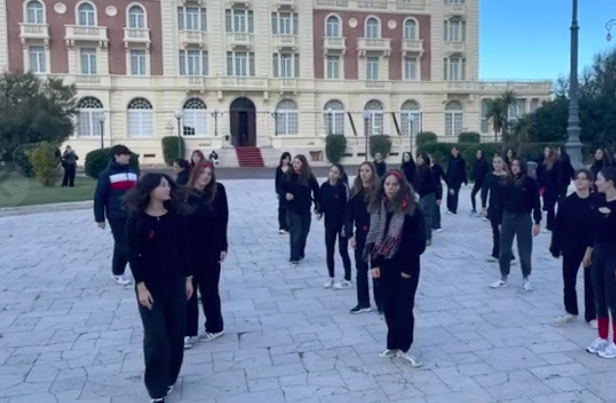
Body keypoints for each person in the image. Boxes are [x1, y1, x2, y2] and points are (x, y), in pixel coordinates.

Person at [124, 173, 194, 403]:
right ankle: (156, 388)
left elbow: (185, 248)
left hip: (175, 282)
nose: (167, 189)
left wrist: (188, 278)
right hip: (150, 285)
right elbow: (133, 254)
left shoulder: (176, 216)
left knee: (175, 333)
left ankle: (170, 376)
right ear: (150, 189)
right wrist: (140, 286)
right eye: (162, 185)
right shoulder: (137, 218)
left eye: (168, 185)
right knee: (156, 336)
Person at [364, 169, 426, 366]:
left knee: (404, 307)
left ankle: (404, 347)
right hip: (385, 264)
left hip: (406, 265)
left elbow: (419, 241)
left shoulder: (412, 208)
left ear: (401, 186)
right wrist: (374, 264)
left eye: (394, 185)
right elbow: (374, 238)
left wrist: (407, 267)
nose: (390, 188)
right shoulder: (378, 207)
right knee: (388, 305)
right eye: (387, 184)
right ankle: (392, 344)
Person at [184, 161, 229, 349]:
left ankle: (215, 326)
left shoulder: (217, 192)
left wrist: (223, 246)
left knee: (209, 290)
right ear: (195, 173)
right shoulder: (182, 194)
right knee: (188, 291)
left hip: (210, 248)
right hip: (187, 249)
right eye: (203, 173)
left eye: (209, 174)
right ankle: (189, 331)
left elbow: (223, 219)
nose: (205, 177)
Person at [550, 169, 597, 328]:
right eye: (577, 179)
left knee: (591, 283)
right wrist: (555, 246)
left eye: (584, 179)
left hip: (590, 249)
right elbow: (558, 225)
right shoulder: (567, 202)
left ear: (590, 182)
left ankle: (591, 315)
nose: (580, 182)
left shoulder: (596, 201)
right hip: (570, 247)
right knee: (568, 281)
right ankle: (571, 310)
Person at [490, 158, 541, 291]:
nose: (514, 168)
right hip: (507, 216)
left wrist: (537, 222)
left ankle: (526, 277)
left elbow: (536, 203)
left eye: (517, 165)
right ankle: (503, 277)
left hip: (524, 217)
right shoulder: (505, 182)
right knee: (504, 249)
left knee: (524, 249)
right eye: (512, 165)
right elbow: (499, 203)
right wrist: (499, 221)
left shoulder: (530, 183)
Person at [93, 145, 138, 286]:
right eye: (125, 155)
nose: (128, 157)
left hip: (134, 214)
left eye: (128, 154)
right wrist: (99, 218)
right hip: (116, 214)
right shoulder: (107, 174)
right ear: (116, 156)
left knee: (134, 243)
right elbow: (99, 196)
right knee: (122, 244)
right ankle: (117, 272)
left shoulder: (133, 172)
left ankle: (138, 271)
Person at [584, 166, 616, 359]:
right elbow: (594, 230)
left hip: (614, 253)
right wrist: (589, 251)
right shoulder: (598, 201)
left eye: (599, 179)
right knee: (600, 296)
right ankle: (602, 337)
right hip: (599, 251)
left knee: (613, 298)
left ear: (610, 181)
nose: (596, 182)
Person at [348, 162, 382, 314]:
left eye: (367, 170)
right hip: (360, 234)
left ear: (372, 173)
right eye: (361, 170)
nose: (364, 173)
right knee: (360, 269)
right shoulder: (355, 191)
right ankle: (363, 303)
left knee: (377, 270)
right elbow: (348, 215)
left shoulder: (379, 192)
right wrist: (350, 235)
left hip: (376, 235)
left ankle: (382, 304)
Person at [316, 163, 352, 289]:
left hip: (342, 224)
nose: (333, 174)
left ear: (340, 175)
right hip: (329, 224)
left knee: (343, 251)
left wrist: (346, 226)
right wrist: (319, 212)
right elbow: (320, 202)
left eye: (336, 172)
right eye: (331, 171)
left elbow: (348, 207)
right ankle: (331, 277)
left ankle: (347, 278)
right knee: (329, 250)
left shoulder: (343, 188)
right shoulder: (324, 187)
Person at [280, 154, 319, 265]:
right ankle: (294, 256)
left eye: (298, 163)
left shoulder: (309, 177)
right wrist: (285, 194)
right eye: (294, 162)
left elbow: (316, 190)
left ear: (303, 164)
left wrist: (318, 205)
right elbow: (280, 188)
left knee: (304, 232)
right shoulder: (288, 175)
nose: (295, 165)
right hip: (292, 208)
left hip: (305, 208)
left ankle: (300, 252)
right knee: (295, 231)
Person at [481, 154, 513, 263]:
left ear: (503, 163)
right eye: (495, 162)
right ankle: (496, 253)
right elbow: (484, 192)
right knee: (495, 231)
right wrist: (483, 207)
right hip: (493, 208)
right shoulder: (489, 176)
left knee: (505, 232)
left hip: (506, 208)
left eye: (499, 162)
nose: (497, 164)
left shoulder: (508, 176)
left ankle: (509, 254)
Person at [416, 153, 438, 246]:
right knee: (422, 216)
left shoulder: (427, 170)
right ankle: (424, 236)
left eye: (420, 158)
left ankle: (428, 238)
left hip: (428, 195)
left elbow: (434, 185)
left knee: (426, 217)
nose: (418, 159)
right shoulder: (420, 169)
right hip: (423, 195)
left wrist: (438, 197)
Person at [537, 146, 559, 232]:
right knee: (547, 206)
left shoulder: (555, 163)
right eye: (545, 151)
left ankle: (550, 226)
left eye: (548, 151)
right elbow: (540, 175)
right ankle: (551, 224)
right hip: (544, 188)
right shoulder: (543, 163)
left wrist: (559, 190)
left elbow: (558, 177)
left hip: (552, 188)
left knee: (551, 207)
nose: (546, 153)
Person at [445, 147, 467, 214]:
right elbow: (448, 169)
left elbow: (463, 170)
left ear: (458, 151)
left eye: (455, 151)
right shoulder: (450, 159)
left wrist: (464, 179)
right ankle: (449, 207)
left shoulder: (461, 160)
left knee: (455, 194)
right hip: (450, 179)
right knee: (449, 194)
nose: (454, 152)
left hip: (457, 180)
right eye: (453, 151)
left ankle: (454, 209)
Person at [275, 152, 292, 234]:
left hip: (289, 191)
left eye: (288, 159)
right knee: (281, 209)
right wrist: (277, 192)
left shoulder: (291, 169)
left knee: (289, 209)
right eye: (285, 158)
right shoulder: (278, 169)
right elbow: (277, 181)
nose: (286, 160)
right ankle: (282, 226)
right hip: (281, 191)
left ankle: (288, 226)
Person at [470, 149, 489, 216]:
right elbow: (474, 171)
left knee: (483, 196)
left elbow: (488, 172)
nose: (478, 155)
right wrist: (472, 177)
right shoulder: (475, 162)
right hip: (477, 182)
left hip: (484, 182)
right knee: (472, 194)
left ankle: (483, 210)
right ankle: (474, 208)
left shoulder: (485, 163)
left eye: (479, 153)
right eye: (477, 153)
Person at [430, 155, 445, 232]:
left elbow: (444, 176)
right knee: (429, 208)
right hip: (429, 189)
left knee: (436, 207)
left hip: (437, 188)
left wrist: (450, 186)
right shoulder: (425, 168)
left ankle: (437, 225)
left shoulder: (437, 167)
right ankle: (431, 224)